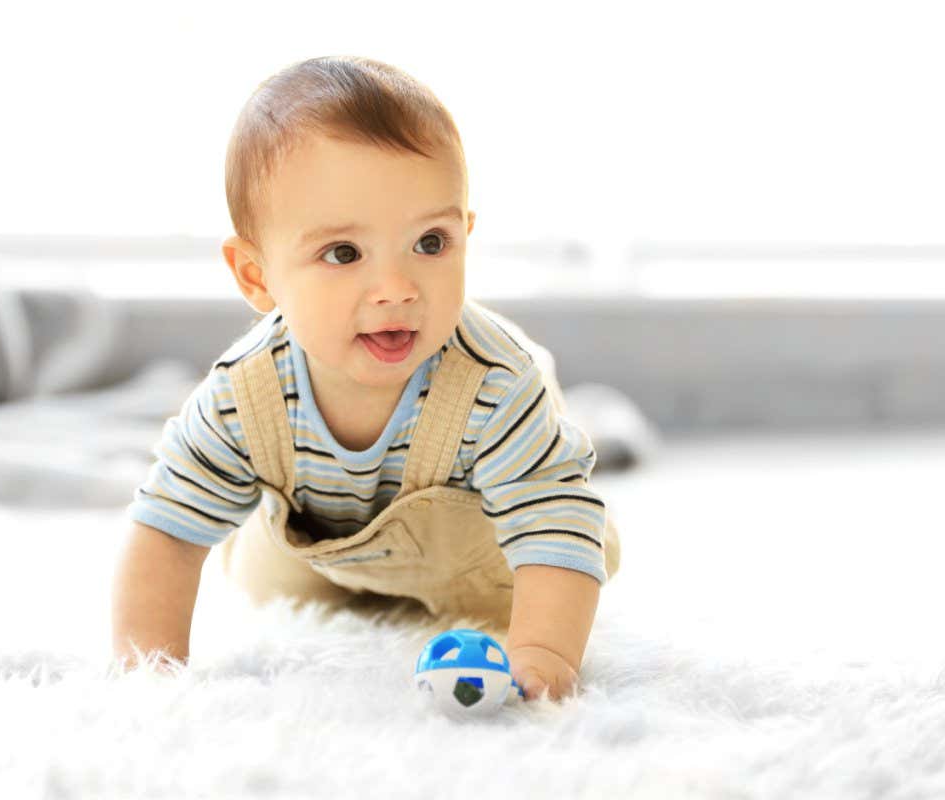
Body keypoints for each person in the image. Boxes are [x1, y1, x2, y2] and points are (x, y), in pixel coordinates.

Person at [111, 55, 621, 703]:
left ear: (465, 235)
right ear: (256, 276)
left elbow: (551, 523)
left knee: (570, 550)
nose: (397, 288)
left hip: (477, 556)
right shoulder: (243, 396)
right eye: (344, 253)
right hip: (316, 552)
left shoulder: (495, 382)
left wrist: (544, 655)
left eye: (430, 243)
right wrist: (148, 673)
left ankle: (565, 449)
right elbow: (166, 530)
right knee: (261, 578)